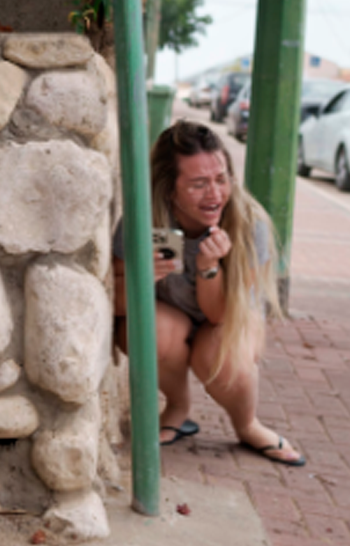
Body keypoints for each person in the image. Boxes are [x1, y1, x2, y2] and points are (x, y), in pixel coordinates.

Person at [112, 120, 305, 466]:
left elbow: (221, 316)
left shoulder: (248, 223)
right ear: (169, 189)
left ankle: (247, 424)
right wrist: (142, 279)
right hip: (171, 317)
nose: (215, 194)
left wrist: (208, 267)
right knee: (147, 331)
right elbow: (115, 305)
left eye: (221, 179)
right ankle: (177, 406)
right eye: (199, 184)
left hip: (226, 318)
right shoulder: (143, 221)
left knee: (220, 356)